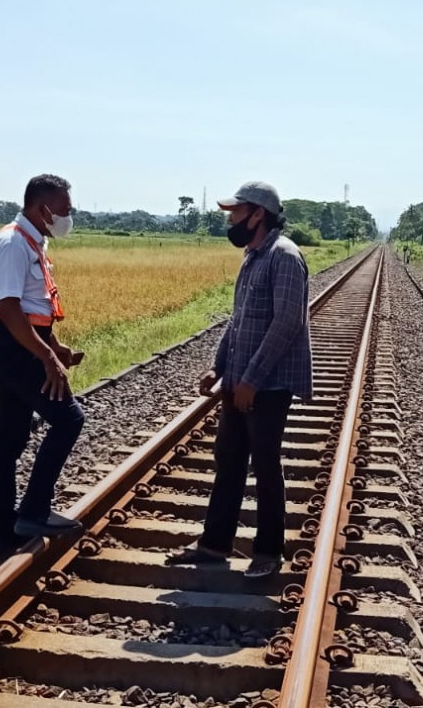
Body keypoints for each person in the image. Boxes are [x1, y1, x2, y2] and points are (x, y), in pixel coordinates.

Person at [166, 181, 313, 578]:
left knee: (265, 464)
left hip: (269, 385)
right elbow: (239, 320)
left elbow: (287, 323)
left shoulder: (284, 256)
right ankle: (214, 544)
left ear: (258, 214)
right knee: (228, 460)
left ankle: (268, 551)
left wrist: (251, 380)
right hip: (239, 380)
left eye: (236, 212)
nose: (230, 220)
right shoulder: (253, 256)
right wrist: (218, 368)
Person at [0, 174, 86, 552]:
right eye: (64, 210)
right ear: (43, 209)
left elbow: (32, 309)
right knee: (69, 419)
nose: (68, 217)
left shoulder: (33, 241)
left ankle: (3, 529)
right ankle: (34, 511)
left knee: (11, 437)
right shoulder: (12, 244)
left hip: (22, 343)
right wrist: (46, 358)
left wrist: (53, 345)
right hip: (14, 347)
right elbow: (10, 310)